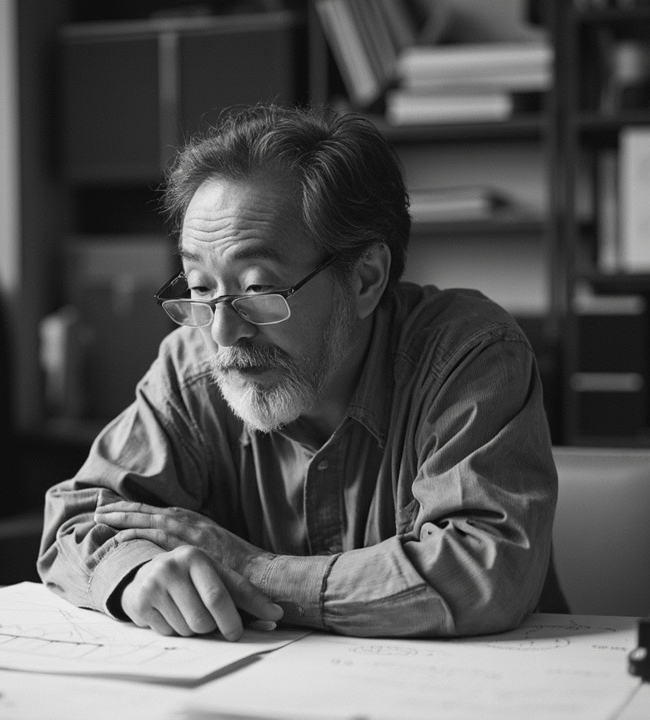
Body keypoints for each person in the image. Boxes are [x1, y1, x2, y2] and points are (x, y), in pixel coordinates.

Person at [38, 104, 558, 640]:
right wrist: (139, 571)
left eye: (259, 288)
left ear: (364, 279)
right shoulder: (191, 367)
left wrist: (255, 572)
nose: (222, 333)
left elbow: (486, 568)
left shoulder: (468, 357)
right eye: (199, 288)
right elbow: (74, 523)